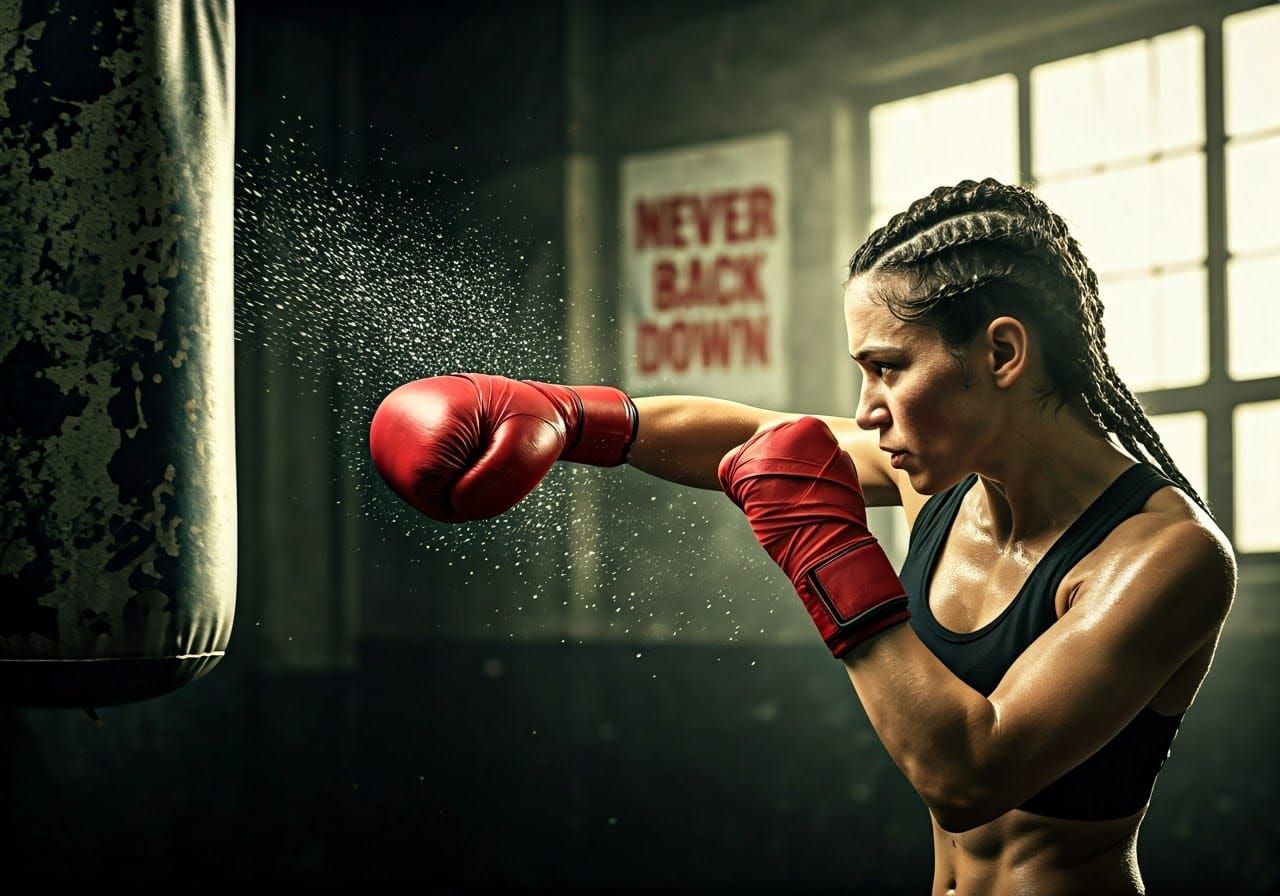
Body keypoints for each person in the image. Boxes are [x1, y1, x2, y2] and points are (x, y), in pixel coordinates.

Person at [368, 177, 1236, 895]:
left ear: (1001, 354)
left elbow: (971, 772)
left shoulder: (1162, 556)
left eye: (889, 368)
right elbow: (758, 440)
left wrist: (827, 556)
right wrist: (577, 417)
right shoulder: (937, 468)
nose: (867, 410)